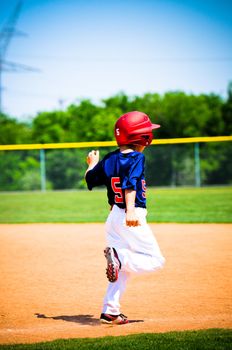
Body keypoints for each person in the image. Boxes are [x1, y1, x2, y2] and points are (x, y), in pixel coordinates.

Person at [85, 111, 165, 325]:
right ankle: (119, 258)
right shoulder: (137, 157)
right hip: (131, 215)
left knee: (121, 271)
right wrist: (130, 211)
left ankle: (110, 310)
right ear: (142, 137)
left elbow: (90, 179)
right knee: (155, 261)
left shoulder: (109, 158)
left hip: (113, 219)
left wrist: (92, 164)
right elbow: (130, 183)